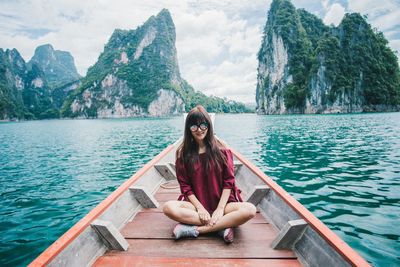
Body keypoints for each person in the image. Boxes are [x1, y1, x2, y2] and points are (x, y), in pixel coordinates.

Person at [163, 105, 257, 243]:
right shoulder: (183, 154)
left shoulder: (222, 149)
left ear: (209, 125)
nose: (199, 130)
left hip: (224, 204)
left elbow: (228, 181)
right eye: (194, 126)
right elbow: (185, 186)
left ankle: (196, 230)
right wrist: (200, 208)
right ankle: (222, 226)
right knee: (168, 208)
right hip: (196, 206)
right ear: (188, 129)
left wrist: (220, 209)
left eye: (202, 125)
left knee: (250, 210)